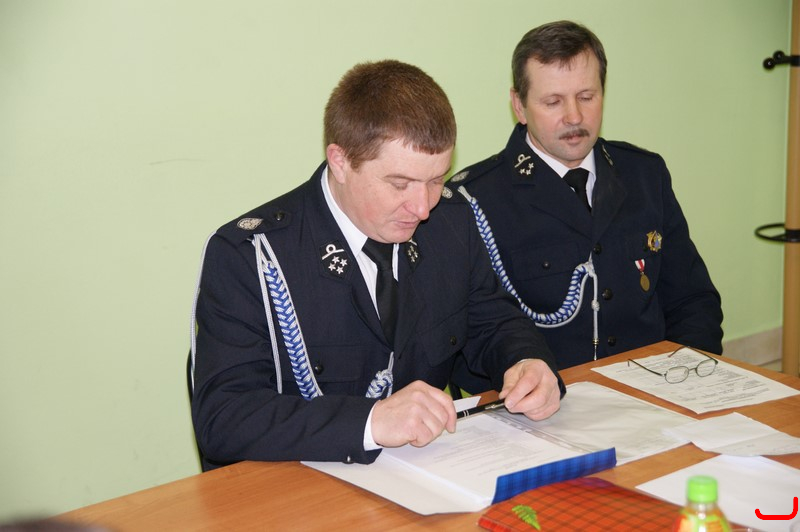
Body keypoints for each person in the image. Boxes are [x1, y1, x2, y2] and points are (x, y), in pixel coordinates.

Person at [189, 59, 565, 471]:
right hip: (296, 488)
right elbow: (224, 418)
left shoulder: (451, 223)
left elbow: (493, 322)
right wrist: (370, 422)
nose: (422, 208)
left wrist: (526, 362)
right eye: (400, 184)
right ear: (340, 162)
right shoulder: (251, 254)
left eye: (437, 180)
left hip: (427, 476)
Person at [448, 20, 723, 390]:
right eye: (553, 102)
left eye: (587, 97)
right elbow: (467, 337)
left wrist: (687, 380)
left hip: (656, 391)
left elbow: (692, 301)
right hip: (541, 405)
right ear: (519, 106)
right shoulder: (474, 199)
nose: (574, 117)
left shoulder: (644, 174)